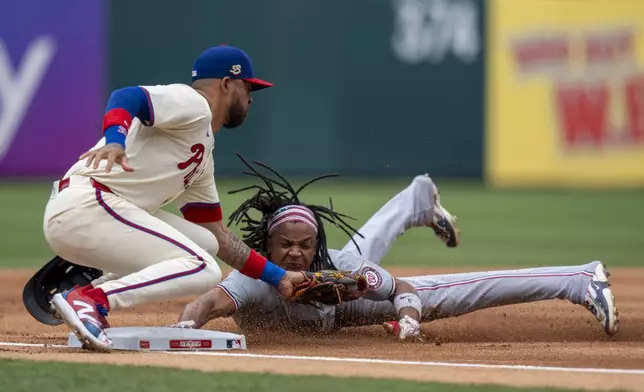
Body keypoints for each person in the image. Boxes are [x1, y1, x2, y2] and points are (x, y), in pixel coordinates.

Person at [44, 45, 309, 352]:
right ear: (226, 84)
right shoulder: (194, 103)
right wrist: (115, 141)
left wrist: (279, 277)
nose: (250, 97)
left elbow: (218, 236)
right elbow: (127, 96)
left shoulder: (201, 152)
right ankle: (91, 300)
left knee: (205, 244)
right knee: (203, 268)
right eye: (247, 86)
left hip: (99, 214)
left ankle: (87, 292)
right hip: (87, 205)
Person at [175, 159, 619, 340]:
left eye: (304, 245)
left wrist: (407, 316)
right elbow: (206, 303)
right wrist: (186, 329)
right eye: (284, 245)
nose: (294, 253)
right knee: (362, 249)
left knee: (451, 292)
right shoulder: (252, 279)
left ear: (316, 246)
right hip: (331, 306)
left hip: (348, 308)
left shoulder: (342, 267)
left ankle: (579, 279)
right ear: (267, 246)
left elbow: (401, 287)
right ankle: (417, 199)